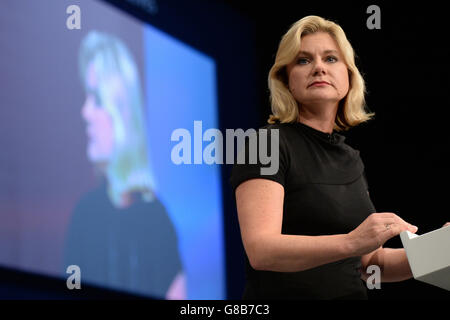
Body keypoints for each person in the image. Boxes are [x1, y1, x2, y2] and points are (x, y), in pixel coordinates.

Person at [230, 15, 449, 299]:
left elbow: (369, 263)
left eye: (331, 59)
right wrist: (352, 242)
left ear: (349, 75)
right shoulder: (266, 144)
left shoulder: (350, 158)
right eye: (303, 60)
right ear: (286, 80)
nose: (319, 67)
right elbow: (262, 251)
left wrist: (439, 252)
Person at [63, 31, 185, 299]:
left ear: (122, 110)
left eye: (96, 99)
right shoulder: (85, 215)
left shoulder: (158, 221)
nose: (85, 112)